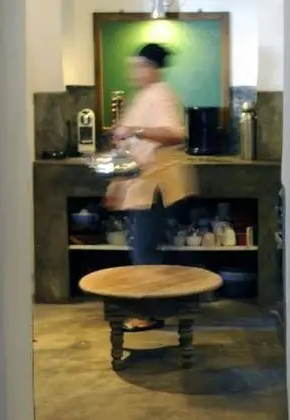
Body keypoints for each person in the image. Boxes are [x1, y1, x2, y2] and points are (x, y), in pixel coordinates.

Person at [105, 43, 197, 332]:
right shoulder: (143, 96)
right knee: (141, 247)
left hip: (156, 185)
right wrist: (117, 184)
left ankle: (151, 312)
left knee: (144, 249)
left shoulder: (162, 94)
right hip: (139, 183)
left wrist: (134, 130)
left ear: (151, 68)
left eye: (138, 67)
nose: (133, 73)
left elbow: (174, 134)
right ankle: (151, 308)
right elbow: (129, 146)